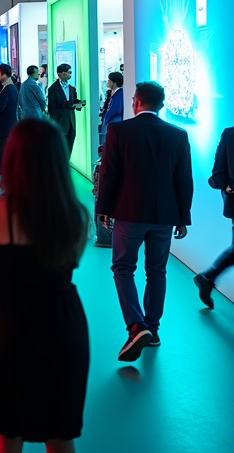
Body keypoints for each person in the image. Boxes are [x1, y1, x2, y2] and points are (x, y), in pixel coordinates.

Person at [0, 118, 90, 453]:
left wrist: (5, 264)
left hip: (9, 321)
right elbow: (69, 262)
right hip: (63, 320)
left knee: (8, 430)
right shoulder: (77, 214)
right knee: (61, 431)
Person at [95, 81, 193, 361]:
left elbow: (109, 174)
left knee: (123, 268)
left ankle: (136, 326)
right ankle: (153, 328)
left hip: (129, 212)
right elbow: (184, 180)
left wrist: (104, 208)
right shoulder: (178, 135)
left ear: (135, 102)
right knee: (157, 272)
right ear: (161, 105)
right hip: (164, 216)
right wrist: (183, 217)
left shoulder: (119, 130)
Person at [195, 127, 234, 307]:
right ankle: (207, 278)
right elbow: (217, 175)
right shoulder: (230, 134)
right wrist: (228, 185)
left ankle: (207, 278)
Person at [0, 64, 19, 188]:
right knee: (3, 152)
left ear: (5, 74)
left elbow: (1, 107)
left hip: (6, 126)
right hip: (6, 126)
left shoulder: (9, 89)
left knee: (4, 153)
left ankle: (6, 181)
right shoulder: (7, 88)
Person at [47, 64, 86, 155]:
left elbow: (74, 101)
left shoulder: (72, 89)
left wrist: (80, 104)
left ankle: (66, 164)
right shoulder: (53, 89)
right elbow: (52, 108)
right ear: (61, 73)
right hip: (60, 121)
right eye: (69, 72)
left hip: (71, 121)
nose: (70, 75)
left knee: (69, 144)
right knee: (59, 146)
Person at [100, 72, 124, 146]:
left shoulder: (119, 94)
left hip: (114, 123)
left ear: (114, 82)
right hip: (110, 122)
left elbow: (115, 109)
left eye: (109, 81)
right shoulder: (112, 94)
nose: (107, 82)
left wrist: (106, 117)